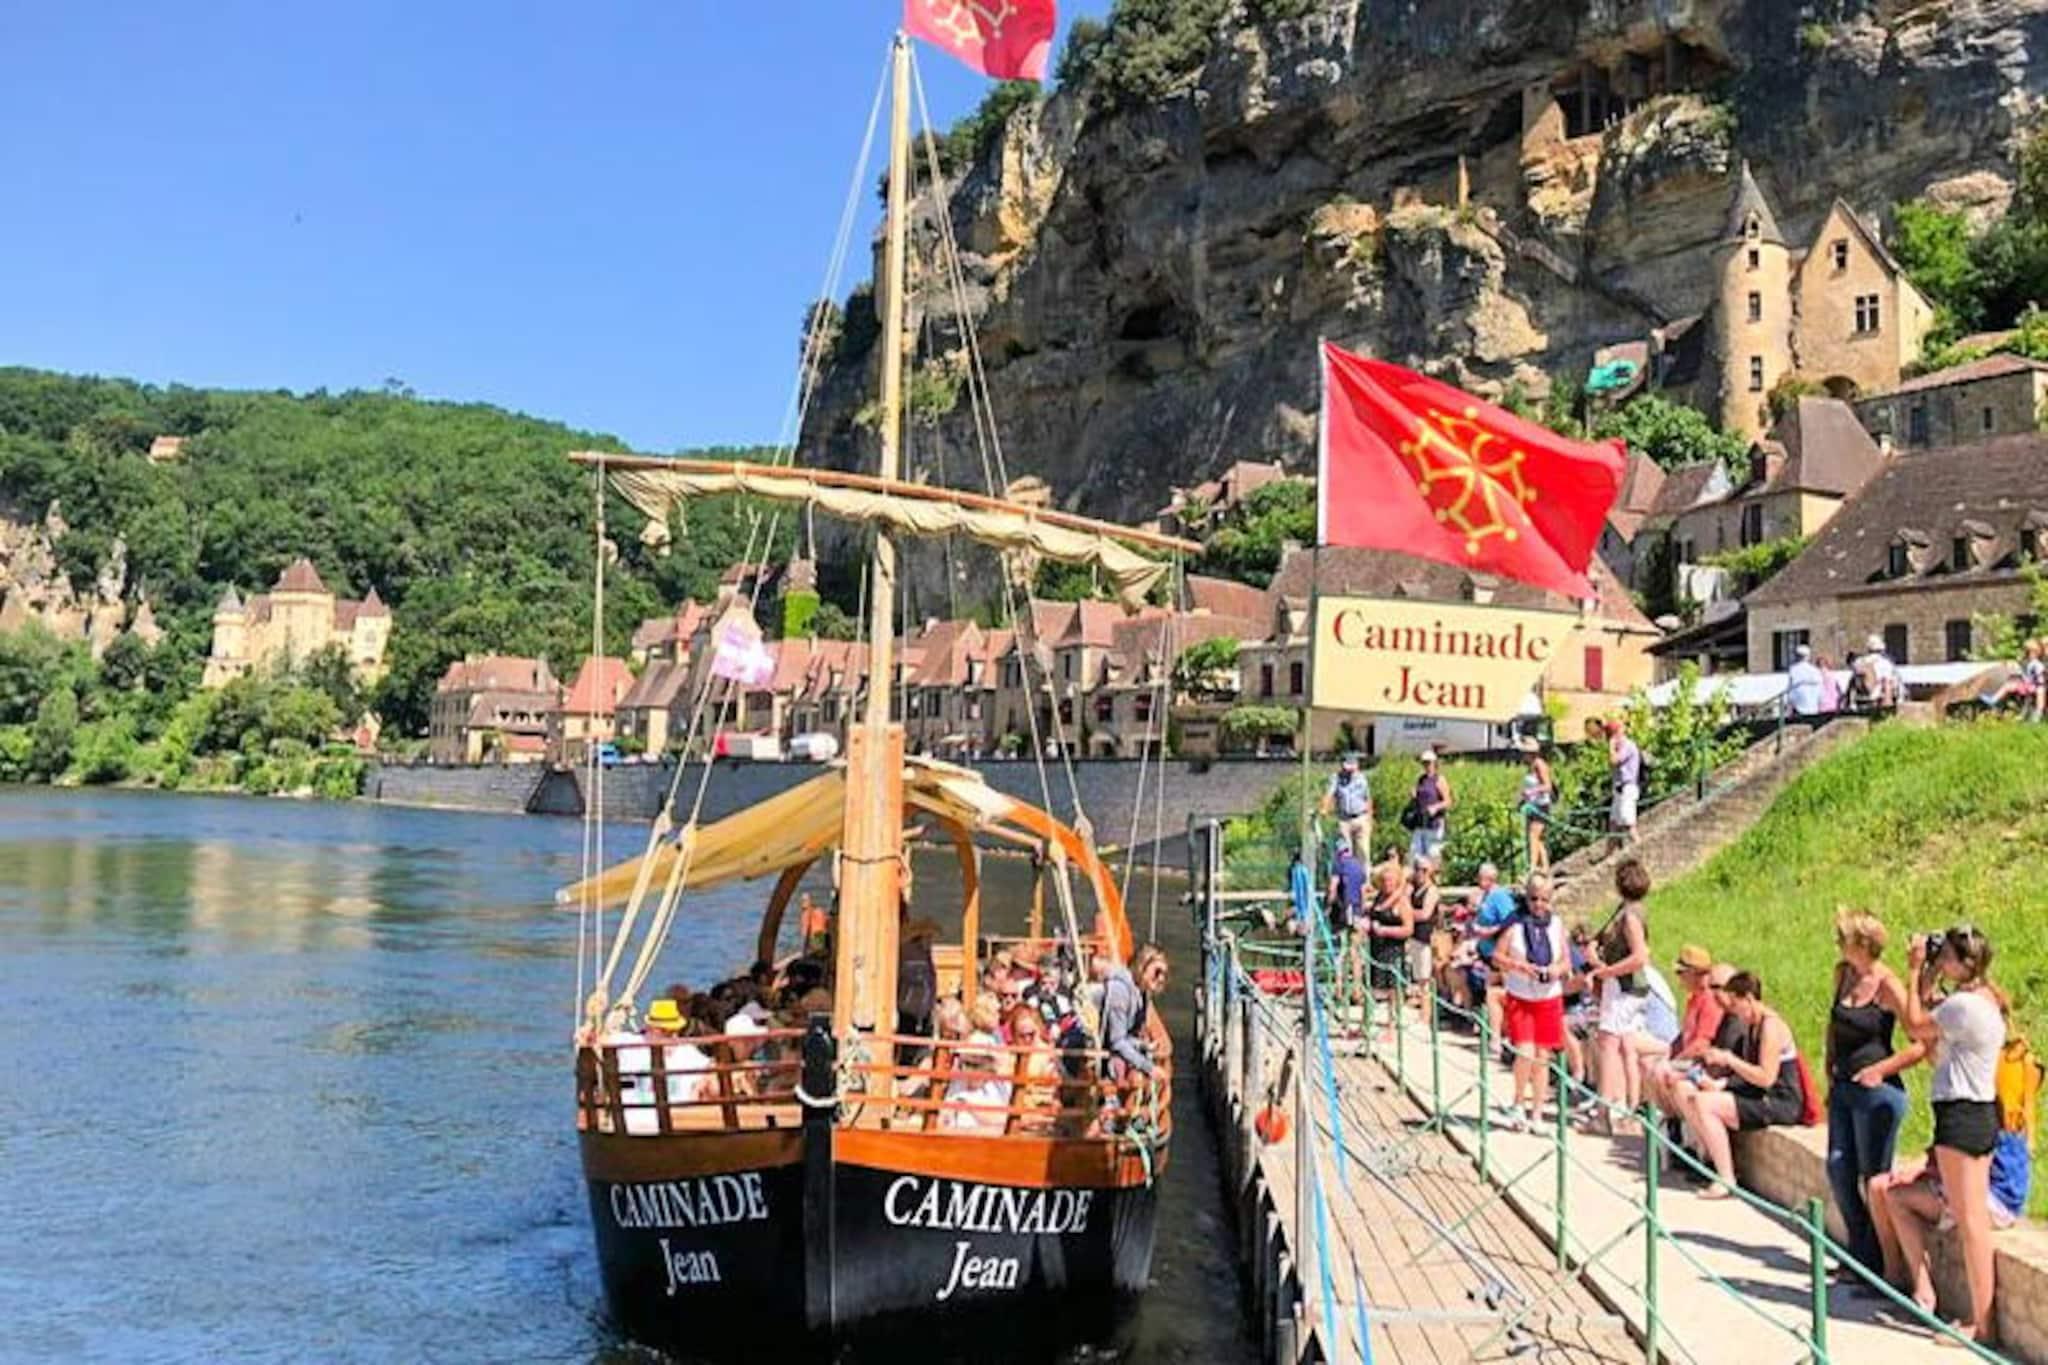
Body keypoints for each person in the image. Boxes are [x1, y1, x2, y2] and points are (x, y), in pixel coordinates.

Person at [1876, 926, 2006, 1342]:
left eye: (1947, 957)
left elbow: (1916, 1025)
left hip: (1960, 1116)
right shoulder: (1983, 1000)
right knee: (1971, 1220)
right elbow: (1933, 1032)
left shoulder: (1963, 1006)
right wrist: (1928, 978)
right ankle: (1982, 1321)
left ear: (1965, 963)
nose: (1942, 962)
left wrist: (1916, 970)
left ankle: (1981, 1325)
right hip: (1979, 1113)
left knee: (1970, 1224)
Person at [1823, 910, 1917, 1284]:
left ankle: (1877, 1260)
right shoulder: (1843, 975)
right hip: (1843, 1086)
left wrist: (1881, 1070)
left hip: (1875, 1092)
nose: (1838, 945)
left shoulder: (1887, 985)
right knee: (1838, 1167)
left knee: (1872, 1174)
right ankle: (1861, 1250)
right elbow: (1833, 1024)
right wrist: (1829, 1064)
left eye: (1843, 939)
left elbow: (1919, 1042)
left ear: (1862, 944)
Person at [1673, 971, 1805, 1197]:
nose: (1734, 1012)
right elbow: (1750, 1074)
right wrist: (1722, 1084)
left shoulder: (1771, 1027)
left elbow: (1766, 1077)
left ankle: (1726, 1177)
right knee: (1692, 1096)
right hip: (1760, 1094)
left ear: (1749, 999)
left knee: (1705, 1105)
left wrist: (1730, 1060)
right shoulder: (1754, 1025)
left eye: (1736, 1004)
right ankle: (1707, 1159)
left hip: (1779, 1101)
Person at [1493, 872, 1569, 1132]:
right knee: (1525, 1052)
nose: (1539, 905)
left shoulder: (1557, 924)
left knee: (1542, 1056)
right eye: (1534, 899)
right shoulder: (1514, 924)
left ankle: (1537, 1112)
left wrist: (1555, 970)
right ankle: (1518, 1102)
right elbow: (1497, 956)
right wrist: (1519, 966)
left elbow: (1566, 961)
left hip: (1549, 997)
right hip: (1521, 996)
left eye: (1544, 899)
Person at [1584, 859, 1655, 1134]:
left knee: (1608, 1044)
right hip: (1626, 987)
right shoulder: (1626, 911)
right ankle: (1629, 1109)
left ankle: (1605, 1112)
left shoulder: (1630, 917)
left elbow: (1640, 957)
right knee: (1625, 1046)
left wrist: (1607, 972)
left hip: (1624, 987)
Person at [1644, 950, 1728, 1117]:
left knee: (1661, 1071)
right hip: (1689, 1058)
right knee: (1649, 1063)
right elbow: (1684, 1035)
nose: (1679, 977)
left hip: (1701, 1063)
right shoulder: (1693, 999)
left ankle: (1672, 1118)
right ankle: (1664, 1116)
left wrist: (1674, 1060)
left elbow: (1701, 1045)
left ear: (1694, 974)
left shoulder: (1709, 1002)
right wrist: (1670, 1053)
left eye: (1681, 973)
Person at [1469, 862, 1519, 1045]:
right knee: (1489, 993)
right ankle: (1494, 1031)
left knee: (1502, 992)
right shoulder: (1486, 895)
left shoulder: (1499, 896)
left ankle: (1503, 1034)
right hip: (1486, 953)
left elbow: (1510, 920)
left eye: (1481, 877)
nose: (1478, 880)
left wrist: (1489, 932)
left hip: (1499, 953)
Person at [1361, 861, 1413, 1004]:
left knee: (1393, 991)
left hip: (1393, 951)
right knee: (1375, 991)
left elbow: (1408, 929)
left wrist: (1385, 931)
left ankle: (1394, 1015)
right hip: (1376, 950)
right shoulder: (1379, 898)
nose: (1386, 884)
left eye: (1390, 880)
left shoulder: (1402, 902)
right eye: (1383, 880)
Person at [1320, 753, 1374, 863]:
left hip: (1360, 818)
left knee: (1363, 853)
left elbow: (1368, 799)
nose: (1349, 771)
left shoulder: (1362, 779)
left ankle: (1364, 874)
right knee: (1345, 853)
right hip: (1344, 820)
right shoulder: (1336, 778)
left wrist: (1370, 819)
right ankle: (1347, 873)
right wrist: (1324, 808)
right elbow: (1328, 794)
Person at [1405, 855, 1442, 1006]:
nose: (1420, 873)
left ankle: (1427, 1006)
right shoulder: (1414, 889)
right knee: (1417, 971)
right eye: (1417, 869)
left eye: (1424, 870)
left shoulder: (1431, 890)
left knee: (1425, 974)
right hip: (1414, 935)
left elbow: (1425, 914)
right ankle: (1421, 1000)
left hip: (1426, 936)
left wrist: (1407, 913)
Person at [1979, 637, 2046, 720]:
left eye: (2034, 652)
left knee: (2040, 691)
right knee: (2009, 684)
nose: (2031, 654)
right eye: (2029, 652)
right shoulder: (2026, 661)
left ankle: (2038, 713)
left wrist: (2036, 684)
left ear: (2038, 652)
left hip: (2036, 685)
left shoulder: (2038, 664)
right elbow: (2021, 671)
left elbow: (2040, 678)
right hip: (2026, 684)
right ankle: (1993, 700)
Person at [1517, 737, 1555, 871]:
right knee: (1537, 839)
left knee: (1533, 836)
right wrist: (1522, 801)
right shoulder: (1530, 766)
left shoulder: (1540, 765)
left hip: (1541, 806)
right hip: (1532, 805)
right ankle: (1545, 867)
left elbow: (1547, 786)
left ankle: (1532, 867)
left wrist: (1531, 792)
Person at [1408, 750, 1453, 863]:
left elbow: (1448, 801)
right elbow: (1419, 799)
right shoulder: (1421, 779)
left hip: (1434, 823)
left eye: (1429, 762)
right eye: (1424, 763)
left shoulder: (1439, 779)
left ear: (1434, 763)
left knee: (1433, 855)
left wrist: (1436, 807)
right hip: (1420, 822)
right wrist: (1414, 796)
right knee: (1415, 855)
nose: (1426, 765)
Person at [1605, 720, 1643, 850]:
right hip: (1618, 790)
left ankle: (1640, 848)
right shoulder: (1619, 748)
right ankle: (1608, 856)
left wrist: (1611, 746)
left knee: (1628, 825)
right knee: (1613, 825)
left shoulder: (1627, 746)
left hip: (1627, 789)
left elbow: (1613, 761)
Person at [1786, 643, 1825, 717]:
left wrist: (1789, 704)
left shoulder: (1793, 670)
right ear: (1808, 656)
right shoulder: (1815, 670)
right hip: (1813, 706)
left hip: (1798, 707)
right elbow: (1821, 691)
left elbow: (1790, 691)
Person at [797, 892, 830, 956]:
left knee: (814, 953)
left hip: (817, 939)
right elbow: (826, 923)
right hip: (823, 939)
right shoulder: (819, 910)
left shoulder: (807, 913)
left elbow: (805, 933)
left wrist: (803, 951)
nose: (802, 903)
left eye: (804, 901)